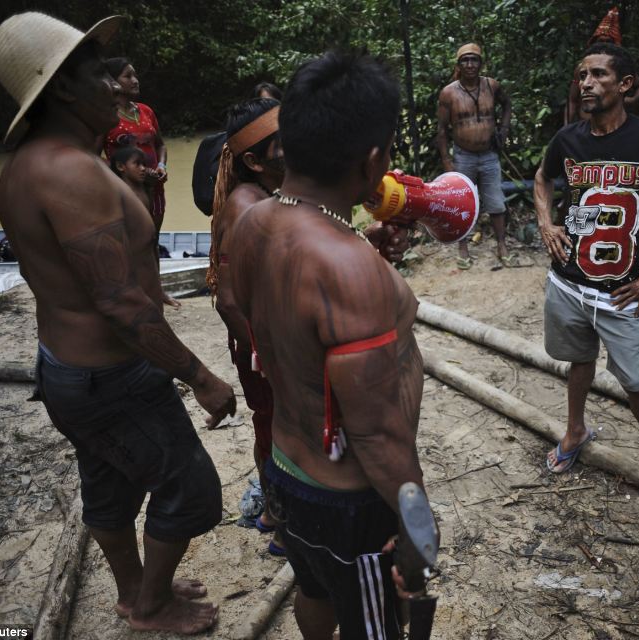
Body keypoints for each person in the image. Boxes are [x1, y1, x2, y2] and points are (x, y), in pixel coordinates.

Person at [0, 12, 236, 634]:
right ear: (67, 91)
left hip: (69, 367)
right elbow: (120, 304)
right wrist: (199, 374)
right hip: (109, 374)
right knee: (191, 489)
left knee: (109, 485)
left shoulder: (28, 164)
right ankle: (151, 606)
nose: (118, 89)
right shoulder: (71, 173)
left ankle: (134, 590)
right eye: (102, 77)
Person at [227, 51, 427, 639]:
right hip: (349, 499)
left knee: (313, 587)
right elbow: (376, 433)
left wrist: (361, 249)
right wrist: (417, 531)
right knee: (375, 624)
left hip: (285, 470)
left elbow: (279, 326)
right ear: (373, 161)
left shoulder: (253, 221)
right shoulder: (346, 268)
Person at [533, 42, 639, 505]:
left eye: (598, 75)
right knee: (578, 362)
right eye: (582, 75)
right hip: (566, 283)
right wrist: (546, 222)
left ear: (625, 85)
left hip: (620, 292)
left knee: (635, 382)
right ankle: (575, 431)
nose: (586, 83)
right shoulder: (567, 140)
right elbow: (542, 178)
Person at [206, 98, 286, 556]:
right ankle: (279, 520)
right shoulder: (246, 206)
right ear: (254, 161)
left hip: (275, 338)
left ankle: (279, 511)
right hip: (262, 344)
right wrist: (267, 355)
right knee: (275, 425)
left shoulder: (273, 192)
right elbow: (229, 300)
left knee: (281, 424)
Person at [436, 43, 512, 269]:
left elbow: (507, 105)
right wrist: (447, 162)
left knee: (496, 202)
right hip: (463, 156)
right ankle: (463, 247)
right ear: (458, 65)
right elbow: (441, 130)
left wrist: (503, 130)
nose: (470, 64)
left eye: (474, 60)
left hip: (489, 155)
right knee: (461, 203)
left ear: (481, 63)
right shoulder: (449, 92)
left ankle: (501, 245)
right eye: (465, 60)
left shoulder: (492, 86)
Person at [102, 57, 168, 231]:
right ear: (113, 82)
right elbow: (93, 156)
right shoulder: (106, 116)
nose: (135, 81)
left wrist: (161, 166)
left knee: (153, 239)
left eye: (135, 76)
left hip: (155, 187)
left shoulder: (146, 111)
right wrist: (129, 172)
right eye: (128, 76)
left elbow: (160, 145)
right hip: (124, 191)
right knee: (133, 242)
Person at [564, 6, 639, 125]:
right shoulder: (581, 68)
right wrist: (567, 128)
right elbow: (572, 100)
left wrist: (632, 100)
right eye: (601, 41)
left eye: (608, 42)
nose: (604, 44)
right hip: (587, 128)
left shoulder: (621, 67)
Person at [110, 146, 151, 213]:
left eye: (144, 164)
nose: (143, 168)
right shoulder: (119, 194)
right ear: (120, 166)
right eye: (137, 164)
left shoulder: (143, 187)